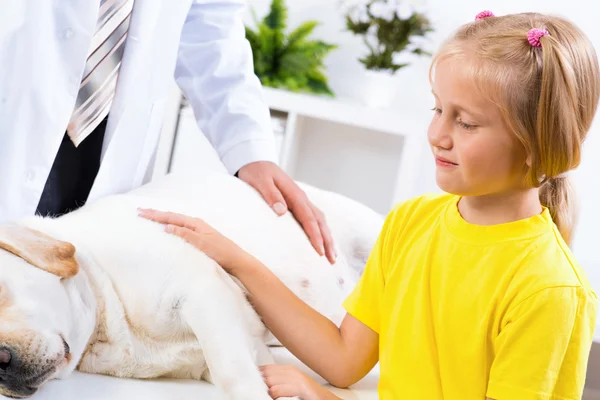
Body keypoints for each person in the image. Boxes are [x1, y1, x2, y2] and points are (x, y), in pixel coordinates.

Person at [138, 10, 600, 400]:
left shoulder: (550, 291)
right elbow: (344, 359)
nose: (438, 135)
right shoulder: (411, 223)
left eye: (466, 123)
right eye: (438, 109)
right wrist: (234, 258)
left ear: (538, 146)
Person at [0, 0, 335, 264]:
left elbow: (211, 30)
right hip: (16, 97)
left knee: (53, 301)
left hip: (105, 127)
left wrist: (250, 149)